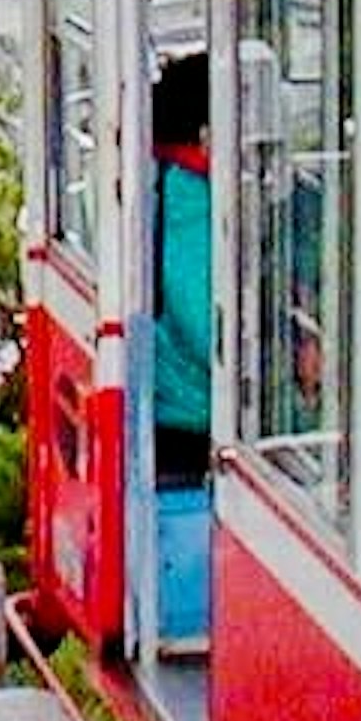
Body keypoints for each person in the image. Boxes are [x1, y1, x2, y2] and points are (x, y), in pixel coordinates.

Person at [148, 49, 215, 487]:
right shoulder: (195, 207)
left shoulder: (155, 182)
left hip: (163, 407)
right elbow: (208, 330)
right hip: (194, 417)